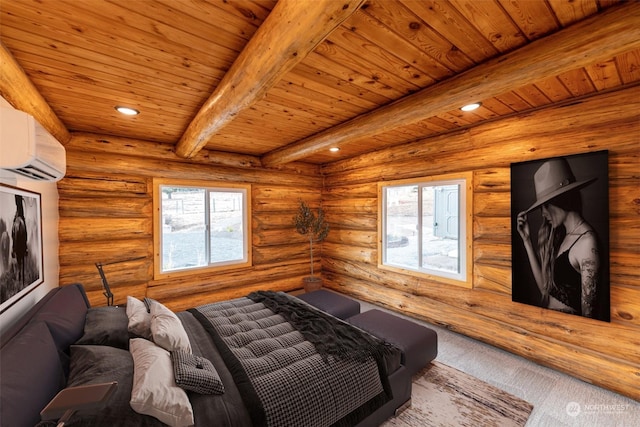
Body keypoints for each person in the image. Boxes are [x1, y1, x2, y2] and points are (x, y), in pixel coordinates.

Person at [516, 158, 600, 318]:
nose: (543, 213)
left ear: (561, 199)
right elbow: (545, 290)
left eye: (545, 205)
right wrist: (526, 240)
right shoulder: (562, 236)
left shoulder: (587, 242)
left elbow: (589, 316)